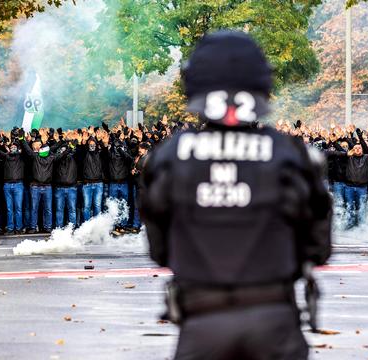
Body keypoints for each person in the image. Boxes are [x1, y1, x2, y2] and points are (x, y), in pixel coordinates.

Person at [140, 31, 332, 360]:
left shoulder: (170, 156)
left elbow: (159, 251)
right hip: (275, 322)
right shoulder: (290, 155)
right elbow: (319, 247)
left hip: (200, 322)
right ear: (262, 84)